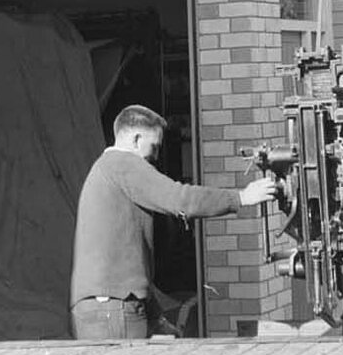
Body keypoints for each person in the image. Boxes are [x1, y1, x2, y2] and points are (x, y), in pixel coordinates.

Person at [70, 104, 277, 340]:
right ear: (136, 139)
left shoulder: (107, 170)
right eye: (154, 146)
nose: (156, 157)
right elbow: (180, 199)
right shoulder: (123, 164)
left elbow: (125, 257)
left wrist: (154, 317)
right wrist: (241, 197)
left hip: (106, 306)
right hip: (113, 308)